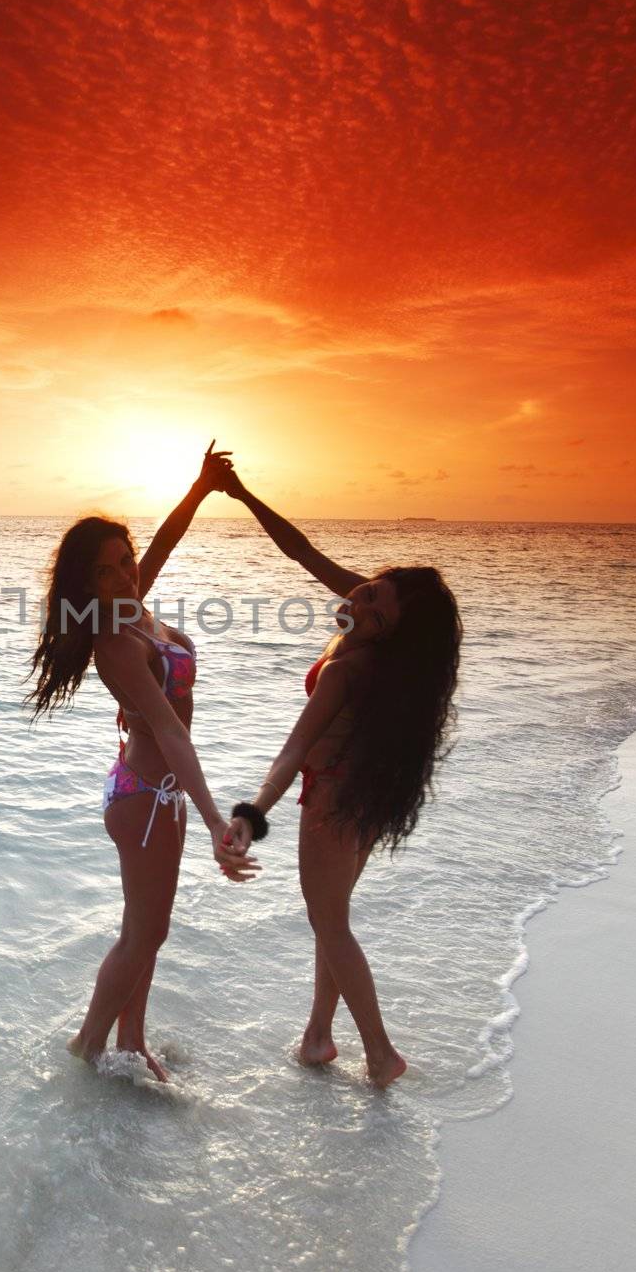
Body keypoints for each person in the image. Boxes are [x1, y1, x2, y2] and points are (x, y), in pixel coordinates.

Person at [219, 464, 462, 1089]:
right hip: (367, 799)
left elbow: (295, 748)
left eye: (374, 602)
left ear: (393, 630)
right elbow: (302, 551)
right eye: (369, 588)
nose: (355, 599)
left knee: (330, 922)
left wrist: (250, 814)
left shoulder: (347, 670)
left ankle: (380, 1055)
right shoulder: (382, 633)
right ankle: (318, 1037)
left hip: (329, 800)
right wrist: (243, 495)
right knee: (334, 915)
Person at [24, 441, 259, 1082]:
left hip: (157, 794)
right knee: (143, 935)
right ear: (85, 584)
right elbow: (169, 731)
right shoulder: (114, 643)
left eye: (126, 562)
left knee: (149, 930)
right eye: (106, 572)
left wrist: (201, 487)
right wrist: (217, 821)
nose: (125, 575)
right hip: (147, 799)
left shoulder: (135, 603)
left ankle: (131, 1041)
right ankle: (85, 1050)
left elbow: (167, 542)